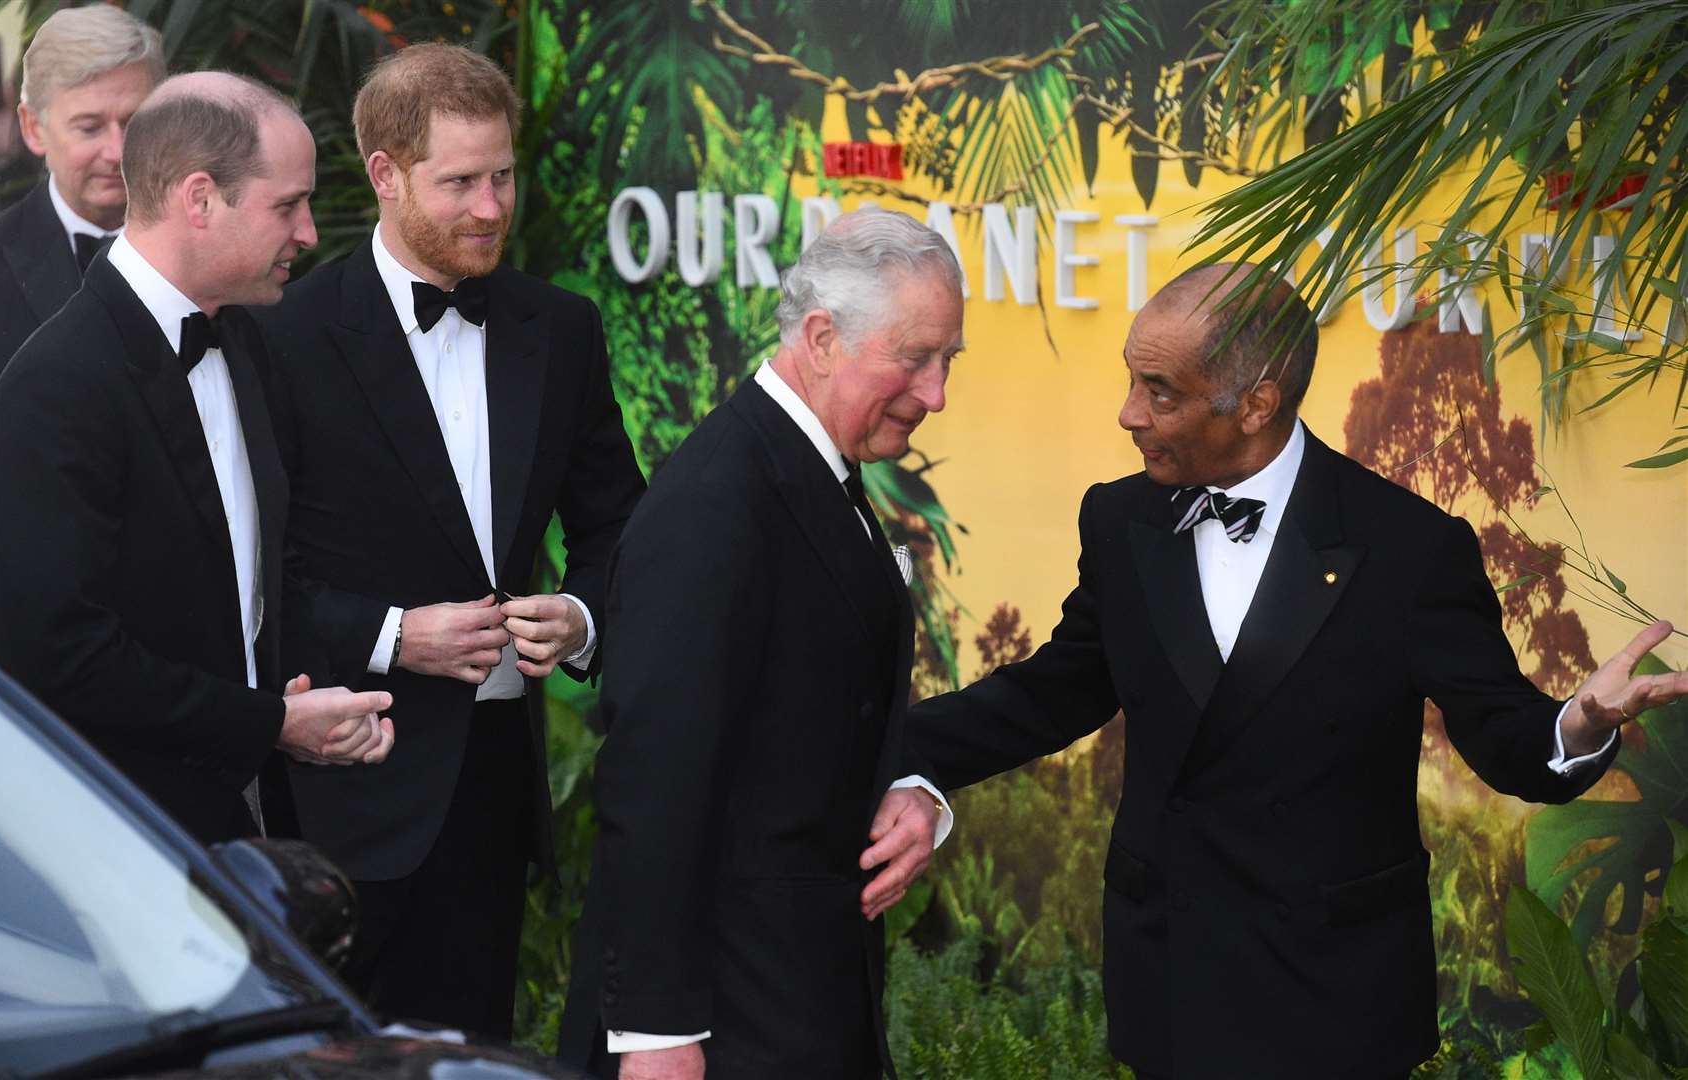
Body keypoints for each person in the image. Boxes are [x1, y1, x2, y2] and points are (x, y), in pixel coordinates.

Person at [904, 264, 1688, 1079]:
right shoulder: (1120, 517)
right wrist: (878, 751)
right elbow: (1054, 690)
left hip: (1334, 991)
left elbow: (1502, 736)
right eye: (1132, 383)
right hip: (1168, 973)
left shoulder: (1408, 548)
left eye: (1160, 392)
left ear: (1255, 404)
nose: (1129, 414)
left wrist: (1581, 721)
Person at [255, 44, 647, 1040]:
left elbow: (619, 524)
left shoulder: (560, 330)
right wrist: (394, 635)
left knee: (471, 1053)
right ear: (385, 174)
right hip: (339, 785)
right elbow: (250, 578)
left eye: (503, 176)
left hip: (488, 797)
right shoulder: (284, 337)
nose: (490, 207)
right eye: (460, 182)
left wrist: (583, 614)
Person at [558, 207, 961, 1080]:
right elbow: (655, 777)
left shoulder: (812, 467)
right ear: (821, 337)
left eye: (945, 361)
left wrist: (908, 786)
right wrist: (656, 1034)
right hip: (728, 1020)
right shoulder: (718, 500)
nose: (934, 395)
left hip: (799, 996)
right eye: (913, 359)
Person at [0, 72, 395, 845]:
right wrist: (269, 722)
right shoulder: (56, 386)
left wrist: (309, 700)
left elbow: (253, 586)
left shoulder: (246, 343)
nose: (308, 232)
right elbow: (62, 657)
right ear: (199, 199)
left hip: (246, 829)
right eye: (287, 204)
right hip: (118, 841)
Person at [0, 3, 163, 649]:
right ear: (32, 128)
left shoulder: (230, 268)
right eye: (88, 126)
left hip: (203, 670)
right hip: (21, 662)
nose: (116, 151)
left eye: (136, 123)